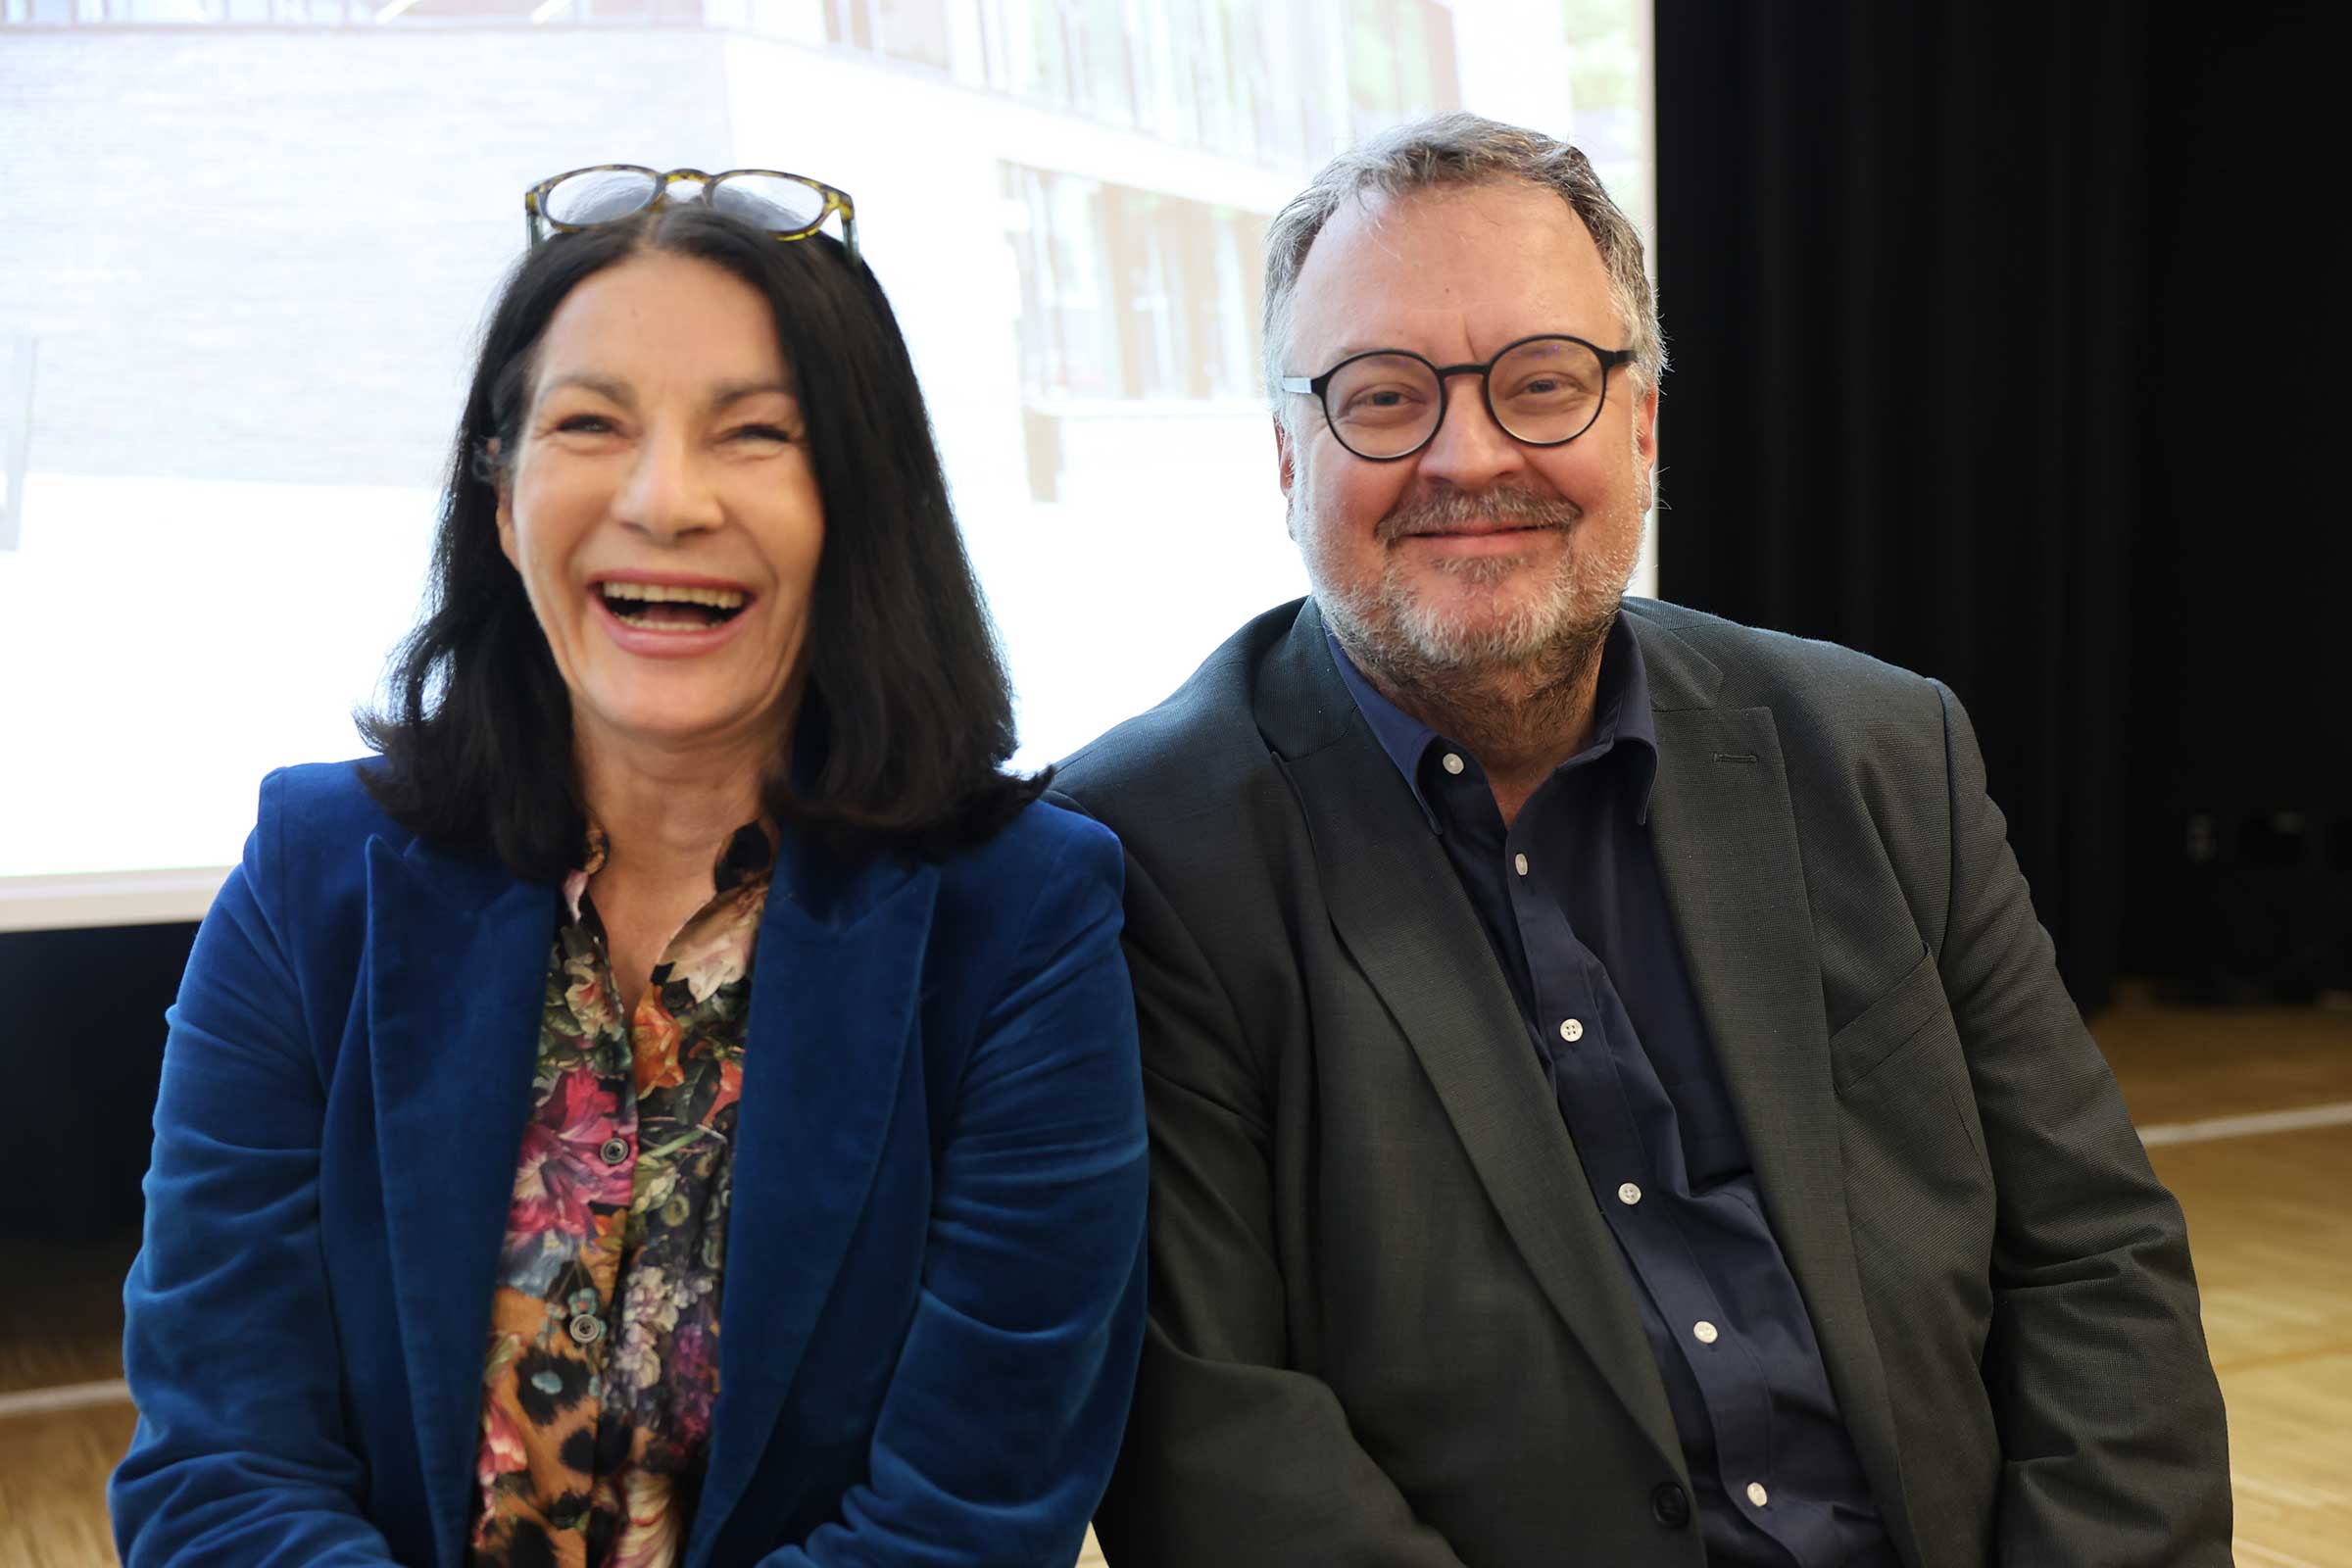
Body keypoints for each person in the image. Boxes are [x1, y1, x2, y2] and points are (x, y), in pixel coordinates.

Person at [1058, 116, 2230, 1566]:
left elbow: (2095, 1261)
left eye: (1542, 384)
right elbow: (1221, 1448)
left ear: (1643, 426)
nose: (1468, 454)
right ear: (1289, 461)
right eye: (1382, 397)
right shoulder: (1138, 854)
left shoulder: (1880, 754)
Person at [110, 167, 1148, 1568]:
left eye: (757, 435)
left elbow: (964, 1517)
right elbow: (218, 1471)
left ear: (864, 507)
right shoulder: (314, 883)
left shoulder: (1022, 921)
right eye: (591, 424)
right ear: (499, 496)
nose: (666, 501)